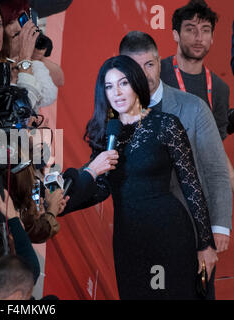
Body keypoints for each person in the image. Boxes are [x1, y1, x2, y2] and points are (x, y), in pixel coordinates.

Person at [83, 55, 217, 299]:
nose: (117, 92)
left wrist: (206, 244)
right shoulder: (105, 134)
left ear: (136, 83)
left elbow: (191, 185)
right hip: (129, 241)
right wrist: (61, 193)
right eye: (109, 86)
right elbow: (99, 188)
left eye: (123, 83)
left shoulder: (166, 124)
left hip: (168, 234)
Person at [118, 31, 232, 297]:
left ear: (160, 62)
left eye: (150, 64)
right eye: (135, 67)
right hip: (138, 236)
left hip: (192, 234)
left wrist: (218, 227)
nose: (144, 74)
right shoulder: (115, 110)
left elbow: (216, 171)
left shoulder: (193, 108)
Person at [160, 0, 234, 193]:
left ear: (212, 38)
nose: (199, 37)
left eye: (206, 30)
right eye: (191, 29)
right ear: (175, 34)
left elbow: (214, 147)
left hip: (199, 187)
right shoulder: (156, 75)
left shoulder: (219, 88)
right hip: (159, 182)